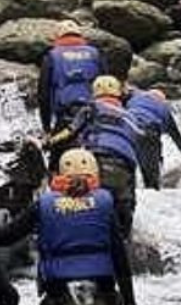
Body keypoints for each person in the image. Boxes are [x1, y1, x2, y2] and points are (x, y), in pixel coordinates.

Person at [0, 149, 141, 305]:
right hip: (103, 297)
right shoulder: (106, 202)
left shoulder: (44, 204)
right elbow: (119, 257)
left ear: (58, 174)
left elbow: (1, 238)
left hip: (59, 297)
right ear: (95, 173)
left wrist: (1, 215)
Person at [53, 74, 142, 238]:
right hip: (125, 165)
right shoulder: (131, 117)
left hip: (95, 160)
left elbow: (70, 132)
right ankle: (124, 238)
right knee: (123, 209)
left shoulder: (91, 107)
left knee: (88, 205)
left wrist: (47, 142)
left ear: (95, 93)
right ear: (118, 94)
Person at [39, 20, 104, 139]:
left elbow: (44, 95)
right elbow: (106, 84)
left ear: (57, 36)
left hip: (66, 116)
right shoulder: (95, 54)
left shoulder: (51, 56)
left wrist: (46, 128)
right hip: (94, 114)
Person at [124, 85, 181, 188]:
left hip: (127, 128)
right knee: (151, 182)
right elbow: (179, 140)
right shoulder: (164, 109)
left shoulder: (134, 97)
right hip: (149, 133)